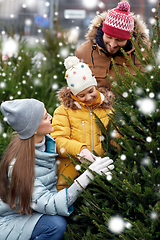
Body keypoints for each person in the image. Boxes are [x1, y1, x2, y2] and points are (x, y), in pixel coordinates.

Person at [0, 98, 114, 240]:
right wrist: (88, 176)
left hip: (33, 211)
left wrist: (82, 153)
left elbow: (63, 143)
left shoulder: (45, 142)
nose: (51, 117)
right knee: (56, 225)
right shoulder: (18, 166)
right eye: (45, 117)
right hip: (13, 220)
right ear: (34, 129)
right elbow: (49, 204)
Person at [51, 56, 115, 191]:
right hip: (71, 179)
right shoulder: (63, 112)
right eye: (81, 95)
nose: (88, 98)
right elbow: (57, 141)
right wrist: (80, 150)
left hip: (102, 178)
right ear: (72, 93)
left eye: (90, 91)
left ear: (94, 85)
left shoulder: (107, 109)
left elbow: (116, 138)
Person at [75, 1, 150, 90]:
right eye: (108, 37)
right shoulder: (84, 52)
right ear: (103, 32)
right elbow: (77, 90)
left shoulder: (144, 53)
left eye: (119, 40)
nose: (112, 44)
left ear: (129, 38)